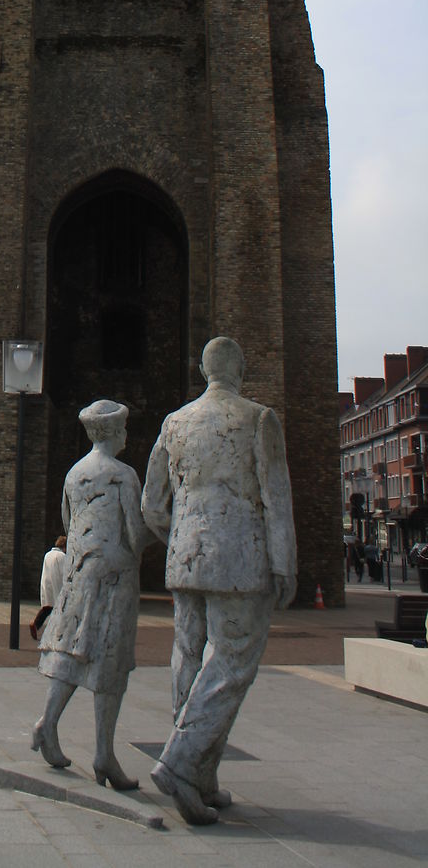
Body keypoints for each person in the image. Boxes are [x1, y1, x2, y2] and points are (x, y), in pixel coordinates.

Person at [141, 336, 296, 826]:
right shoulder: (258, 418)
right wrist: (283, 561)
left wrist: (180, 537)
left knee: (189, 655)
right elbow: (275, 494)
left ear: (203, 369)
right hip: (239, 561)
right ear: (241, 369)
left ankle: (201, 777)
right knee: (230, 665)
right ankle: (181, 763)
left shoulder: (175, 422)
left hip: (186, 559)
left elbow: (152, 504)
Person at [32, 399, 152, 790]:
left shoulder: (74, 473)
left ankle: (47, 724)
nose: (127, 436)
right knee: (111, 661)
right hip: (115, 578)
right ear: (114, 432)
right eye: (124, 430)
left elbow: (69, 521)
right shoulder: (124, 476)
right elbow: (134, 534)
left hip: (81, 574)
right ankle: (103, 754)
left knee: (73, 649)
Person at [29, 535, 67, 640]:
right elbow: (65, 572)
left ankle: (35, 624)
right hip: (57, 585)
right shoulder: (62, 556)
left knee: (47, 607)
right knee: (60, 609)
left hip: (47, 583)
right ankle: (59, 632)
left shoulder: (48, 554)